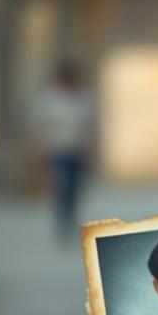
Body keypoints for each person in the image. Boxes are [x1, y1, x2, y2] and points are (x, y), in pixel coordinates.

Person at [31, 59, 95, 241]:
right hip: (57, 150)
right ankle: (61, 222)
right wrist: (39, 151)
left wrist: (91, 148)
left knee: (75, 188)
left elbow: (90, 126)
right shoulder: (50, 98)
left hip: (78, 150)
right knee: (62, 187)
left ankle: (70, 217)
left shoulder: (84, 97)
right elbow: (41, 126)